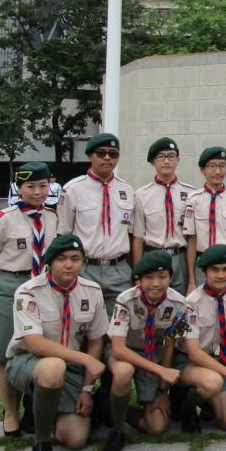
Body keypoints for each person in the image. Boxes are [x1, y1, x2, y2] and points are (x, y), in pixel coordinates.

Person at [5, 234, 108, 451]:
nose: (69, 265)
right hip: (28, 361)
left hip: (69, 366)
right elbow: (35, 344)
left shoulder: (92, 291)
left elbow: (95, 340)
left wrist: (86, 389)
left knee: (75, 439)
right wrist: (85, 359)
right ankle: (41, 443)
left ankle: (44, 409)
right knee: (53, 368)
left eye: (75, 258)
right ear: (50, 262)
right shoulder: (29, 291)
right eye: (62, 259)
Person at [0, 162, 58, 437]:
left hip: (42, 286)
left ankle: (34, 406)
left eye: (42, 186)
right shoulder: (5, 218)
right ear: (19, 188)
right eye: (30, 186)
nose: (37, 192)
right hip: (11, 283)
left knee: (40, 346)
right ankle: (11, 411)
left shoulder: (52, 217)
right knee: (4, 350)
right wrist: (0, 282)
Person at [101, 250, 191, 451]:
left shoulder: (180, 305)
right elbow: (118, 348)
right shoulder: (125, 299)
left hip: (153, 354)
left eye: (162, 277)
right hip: (125, 352)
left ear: (171, 277)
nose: (156, 284)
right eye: (149, 278)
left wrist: (162, 392)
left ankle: (109, 407)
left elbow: (169, 344)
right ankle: (117, 432)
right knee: (123, 372)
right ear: (138, 280)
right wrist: (161, 370)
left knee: (157, 426)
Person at [56, 133, 135, 316]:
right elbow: (64, 234)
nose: (107, 158)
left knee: (118, 324)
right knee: (81, 320)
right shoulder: (73, 189)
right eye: (101, 153)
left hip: (119, 270)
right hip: (85, 268)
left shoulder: (127, 189)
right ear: (90, 156)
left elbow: (131, 233)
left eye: (113, 154)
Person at [179, 244, 226, 433]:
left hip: (213, 361)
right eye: (215, 270)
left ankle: (207, 400)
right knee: (212, 383)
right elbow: (193, 353)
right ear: (204, 272)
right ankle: (185, 407)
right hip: (187, 362)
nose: (221, 275)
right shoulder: (191, 302)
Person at [132, 137, 196, 296]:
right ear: (153, 161)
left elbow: (192, 237)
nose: (166, 161)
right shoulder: (141, 195)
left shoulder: (190, 194)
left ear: (178, 160)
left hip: (180, 257)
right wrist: (137, 273)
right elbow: (138, 237)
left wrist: (192, 277)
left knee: (181, 305)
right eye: (161, 157)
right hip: (152, 255)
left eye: (171, 156)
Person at [183, 147, 226, 292]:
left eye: (221, 166)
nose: (217, 171)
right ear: (202, 170)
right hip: (203, 265)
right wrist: (192, 281)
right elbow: (192, 241)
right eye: (212, 166)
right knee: (202, 310)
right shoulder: (193, 200)